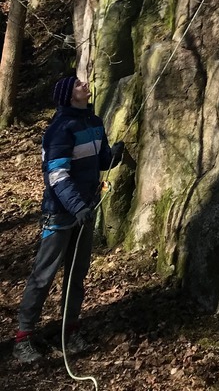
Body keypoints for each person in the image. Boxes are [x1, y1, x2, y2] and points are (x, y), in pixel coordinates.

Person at [13, 74, 123, 364]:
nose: (85, 86)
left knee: (77, 274)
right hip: (60, 213)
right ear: (68, 95)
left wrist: (114, 156)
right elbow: (57, 175)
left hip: (83, 211)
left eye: (83, 83)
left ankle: (67, 331)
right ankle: (23, 338)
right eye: (78, 84)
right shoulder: (60, 130)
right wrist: (76, 207)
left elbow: (100, 162)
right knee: (43, 275)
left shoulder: (94, 122)